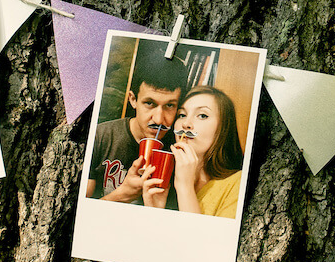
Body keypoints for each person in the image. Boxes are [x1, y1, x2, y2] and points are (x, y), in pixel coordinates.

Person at [86, 51, 189, 201]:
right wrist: (121, 195)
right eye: (149, 103)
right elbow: (82, 214)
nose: (159, 119)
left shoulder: (180, 151)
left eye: (169, 105)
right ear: (133, 99)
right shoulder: (100, 136)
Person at [143, 86, 243, 218]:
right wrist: (155, 212)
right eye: (182, 115)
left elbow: (199, 238)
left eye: (202, 115)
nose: (186, 124)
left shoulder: (238, 183)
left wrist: (185, 187)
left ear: (223, 127)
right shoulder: (162, 181)